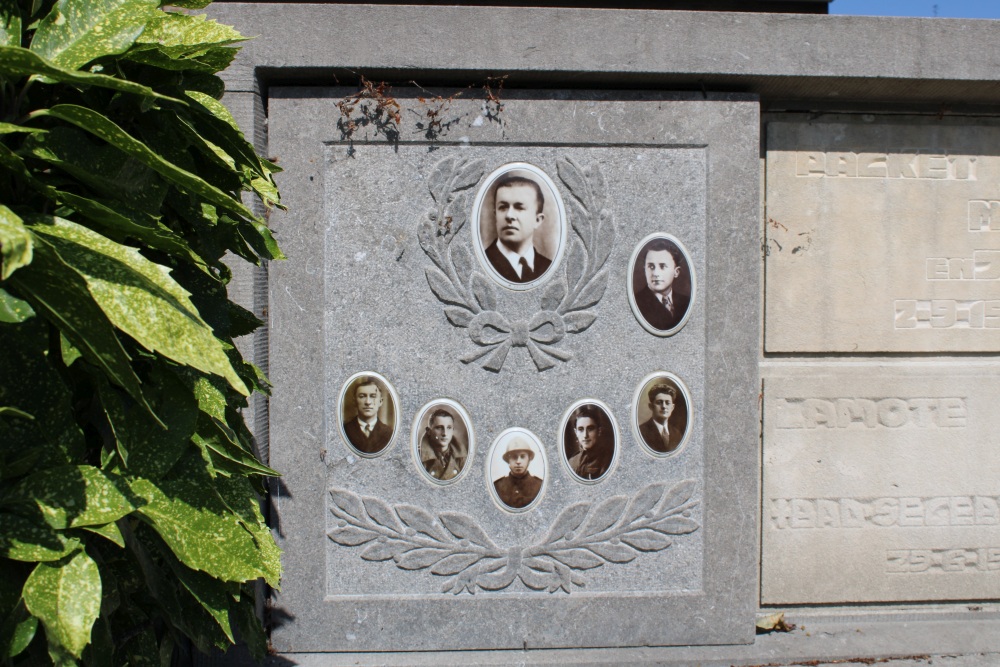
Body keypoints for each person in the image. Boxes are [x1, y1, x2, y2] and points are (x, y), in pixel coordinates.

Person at [484, 175, 552, 283]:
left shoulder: (549, 267)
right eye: (503, 207)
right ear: (495, 215)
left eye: (519, 207)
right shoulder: (483, 262)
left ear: (537, 220)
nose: (509, 215)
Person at [634, 238, 690, 331]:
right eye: (651, 266)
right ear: (645, 270)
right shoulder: (637, 302)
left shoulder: (685, 302)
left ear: (676, 272)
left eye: (662, 266)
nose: (655, 273)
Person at [342, 376, 393, 454]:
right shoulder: (345, 430)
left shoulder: (389, 433)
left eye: (373, 396)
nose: (368, 402)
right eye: (362, 396)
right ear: (354, 401)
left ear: (380, 401)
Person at [565, 404, 613, 481]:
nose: (585, 435)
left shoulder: (609, 459)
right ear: (576, 432)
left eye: (590, 429)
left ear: (599, 431)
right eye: (581, 429)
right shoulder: (571, 462)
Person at [418, 408, 468, 481]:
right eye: (439, 428)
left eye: (449, 428)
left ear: (452, 430)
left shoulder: (463, 458)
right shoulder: (418, 456)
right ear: (428, 431)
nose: (444, 433)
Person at [493, 436, 543, 508]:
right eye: (514, 457)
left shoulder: (539, 485)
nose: (518, 462)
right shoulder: (497, 486)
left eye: (522, 457)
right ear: (508, 460)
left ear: (528, 460)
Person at [638, 382, 684, 453]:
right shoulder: (641, 431)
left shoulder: (677, 434)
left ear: (672, 407)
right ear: (651, 406)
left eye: (667, 403)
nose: (664, 406)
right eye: (659, 402)